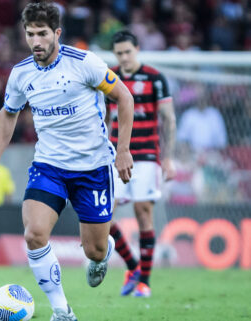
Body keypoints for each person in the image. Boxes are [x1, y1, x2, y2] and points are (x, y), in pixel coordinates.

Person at [0, 3, 134, 320]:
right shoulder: (21, 74)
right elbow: (8, 113)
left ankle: (103, 252)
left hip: (93, 168)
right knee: (34, 233)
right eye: (30, 34)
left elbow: (124, 97)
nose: (36, 41)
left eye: (42, 34)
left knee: (95, 250)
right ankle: (62, 311)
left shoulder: (85, 63)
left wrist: (124, 150)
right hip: (49, 166)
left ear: (57, 33)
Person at [107, 30, 177, 298]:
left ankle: (144, 283)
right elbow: (104, 118)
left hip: (147, 154)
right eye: (119, 53)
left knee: (143, 212)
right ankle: (133, 266)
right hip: (115, 154)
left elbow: (168, 120)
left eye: (127, 51)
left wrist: (167, 157)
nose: (124, 57)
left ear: (137, 49)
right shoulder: (109, 78)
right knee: (103, 218)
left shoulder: (154, 78)